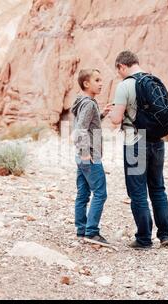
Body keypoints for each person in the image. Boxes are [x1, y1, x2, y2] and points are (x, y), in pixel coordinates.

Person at [109, 51, 168, 249]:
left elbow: (115, 119)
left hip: (136, 143)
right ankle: (165, 235)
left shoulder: (125, 85)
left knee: (138, 192)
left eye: (118, 70)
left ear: (121, 66)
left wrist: (111, 110)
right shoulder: (154, 81)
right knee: (158, 188)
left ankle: (144, 239)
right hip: (157, 141)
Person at [71, 68, 111, 245]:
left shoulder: (81, 102)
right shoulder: (88, 103)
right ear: (86, 84)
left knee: (83, 194)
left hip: (80, 157)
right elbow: (80, 130)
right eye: (97, 80)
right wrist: (87, 153)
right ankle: (92, 231)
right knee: (100, 193)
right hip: (89, 157)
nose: (101, 83)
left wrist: (101, 115)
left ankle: (81, 229)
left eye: (101, 80)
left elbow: (88, 125)